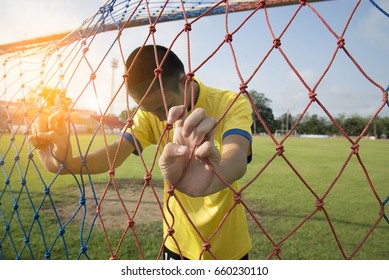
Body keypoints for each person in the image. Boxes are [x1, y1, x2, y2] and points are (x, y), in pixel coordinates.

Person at [29, 45, 253, 260]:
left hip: (227, 245)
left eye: (160, 108)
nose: (160, 118)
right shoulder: (148, 116)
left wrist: (212, 180)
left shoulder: (231, 103)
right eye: (150, 111)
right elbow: (114, 154)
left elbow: (236, 156)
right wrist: (64, 163)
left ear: (185, 82)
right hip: (177, 243)